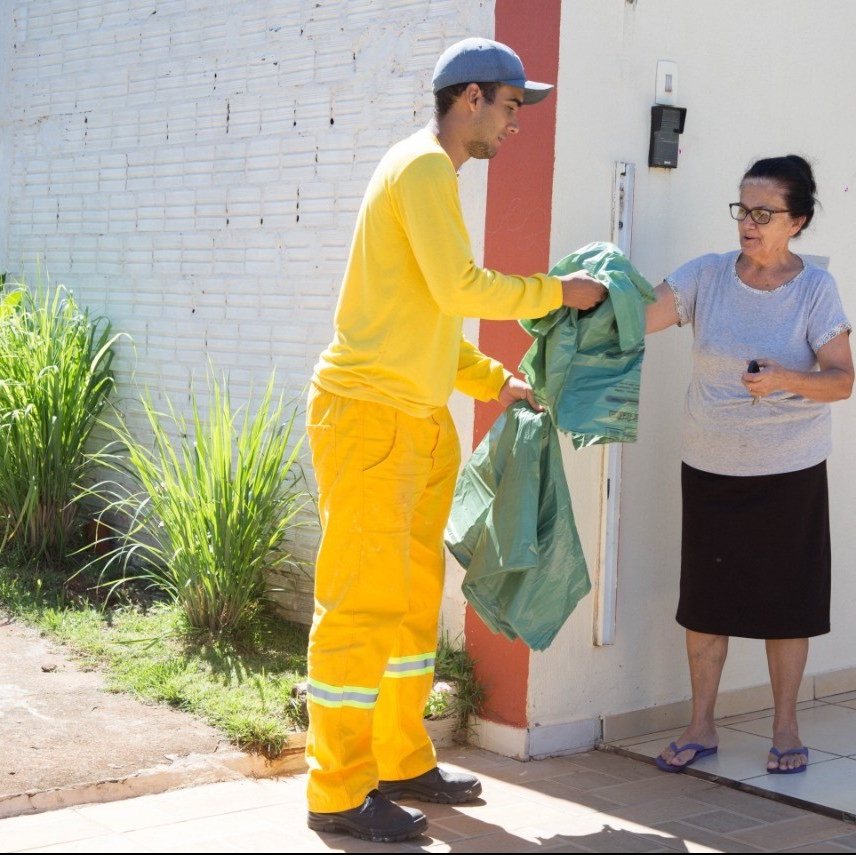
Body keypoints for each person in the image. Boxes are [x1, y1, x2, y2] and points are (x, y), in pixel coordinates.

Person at [303, 37, 606, 843]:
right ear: (469, 97)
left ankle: (401, 757)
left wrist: (490, 380)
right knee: (361, 606)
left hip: (413, 415)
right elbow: (460, 288)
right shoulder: (425, 167)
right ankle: (336, 788)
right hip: (367, 413)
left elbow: (427, 310)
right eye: (510, 106)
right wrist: (560, 294)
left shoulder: (428, 172)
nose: (515, 123)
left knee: (406, 606)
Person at [645, 155, 854, 776]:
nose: (749, 223)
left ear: (798, 221)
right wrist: (581, 307)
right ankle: (700, 725)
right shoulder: (707, 276)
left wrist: (784, 378)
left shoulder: (815, 289)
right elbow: (641, 315)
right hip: (710, 469)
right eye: (743, 209)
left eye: (764, 213)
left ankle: (785, 728)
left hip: (790, 474)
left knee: (787, 606)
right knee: (706, 604)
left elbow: (842, 382)